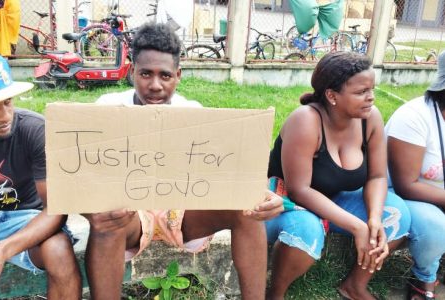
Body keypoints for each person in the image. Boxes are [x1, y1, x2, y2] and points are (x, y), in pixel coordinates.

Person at [85, 23, 283, 300]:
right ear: (132, 72)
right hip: (129, 215)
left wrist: (259, 195)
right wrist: (95, 209)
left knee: (245, 210)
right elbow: (82, 176)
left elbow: (225, 172)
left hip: (181, 212)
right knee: (106, 221)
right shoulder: (107, 110)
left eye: (165, 75)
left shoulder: (193, 113)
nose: (155, 85)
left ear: (178, 76)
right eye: (145, 74)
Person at [265, 51, 411, 300]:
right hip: (288, 201)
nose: (371, 97)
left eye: (372, 89)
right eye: (360, 92)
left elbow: (377, 176)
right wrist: (357, 226)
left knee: (396, 215)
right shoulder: (306, 121)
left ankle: (355, 285)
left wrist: (373, 219)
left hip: (335, 199)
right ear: (332, 96)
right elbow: (300, 189)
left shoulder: (370, 119)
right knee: (307, 232)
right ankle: (274, 294)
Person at [0, 54, 81, 298]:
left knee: (58, 249)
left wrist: (3, 249)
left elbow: (56, 209)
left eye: (7, 102)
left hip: (27, 221)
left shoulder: (34, 130)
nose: (3, 117)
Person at [385, 51, 445, 300]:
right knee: (435, 225)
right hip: (400, 193)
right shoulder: (414, 117)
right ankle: (424, 279)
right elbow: (405, 185)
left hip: (437, 191)